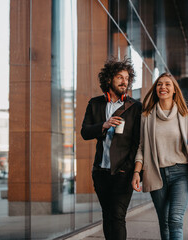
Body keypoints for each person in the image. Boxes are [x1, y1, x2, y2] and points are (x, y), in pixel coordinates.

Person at [131, 72, 188, 240]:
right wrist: (136, 172)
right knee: (164, 222)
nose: (163, 87)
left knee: (175, 219)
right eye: (159, 84)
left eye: (167, 84)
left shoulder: (186, 115)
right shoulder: (147, 117)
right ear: (156, 89)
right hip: (156, 174)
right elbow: (142, 147)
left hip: (181, 173)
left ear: (174, 90)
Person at [81, 58, 142, 240]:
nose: (125, 82)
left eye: (127, 78)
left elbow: (138, 141)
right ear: (109, 79)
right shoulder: (95, 103)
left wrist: (129, 168)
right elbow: (85, 132)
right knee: (107, 216)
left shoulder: (135, 107)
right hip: (100, 171)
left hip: (123, 171)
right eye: (119, 77)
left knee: (117, 216)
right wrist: (104, 125)